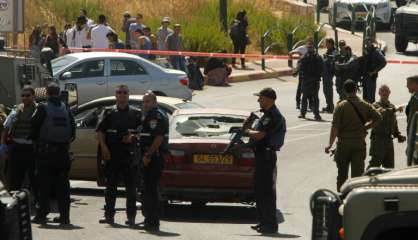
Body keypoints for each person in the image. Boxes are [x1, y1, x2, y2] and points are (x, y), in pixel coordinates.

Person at [96, 85, 142, 226]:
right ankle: (109, 215)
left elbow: (142, 133)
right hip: (112, 153)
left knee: (131, 188)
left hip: (129, 154)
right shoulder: (108, 112)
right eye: (119, 92)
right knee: (111, 187)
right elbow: (100, 132)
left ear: (128, 95)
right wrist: (104, 148)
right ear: (115, 95)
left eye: (125, 92)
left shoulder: (136, 113)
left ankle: (131, 217)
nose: (122, 95)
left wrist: (133, 137)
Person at [31, 83, 76, 225]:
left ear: (46, 93)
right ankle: (65, 216)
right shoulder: (66, 108)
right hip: (62, 153)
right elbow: (73, 132)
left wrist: (37, 143)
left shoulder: (42, 108)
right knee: (63, 186)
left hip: (46, 153)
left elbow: (33, 129)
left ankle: (42, 214)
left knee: (44, 184)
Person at [325, 80, 381, 192]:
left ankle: (342, 198)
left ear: (345, 91)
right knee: (358, 176)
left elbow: (335, 127)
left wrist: (330, 144)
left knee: (342, 174)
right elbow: (378, 118)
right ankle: (356, 199)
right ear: (356, 90)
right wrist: (366, 128)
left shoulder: (340, 106)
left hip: (343, 144)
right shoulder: (365, 105)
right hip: (359, 143)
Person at [246, 88, 286, 234]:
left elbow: (260, 135)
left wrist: (246, 131)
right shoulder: (266, 115)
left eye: (261, 98)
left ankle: (270, 224)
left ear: (269, 99)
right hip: (261, 156)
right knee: (259, 190)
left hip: (266, 157)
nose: (258, 101)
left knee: (266, 191)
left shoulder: (273, 116)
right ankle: (263, 222)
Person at [139, 91, 169, 232]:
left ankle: (153, 221)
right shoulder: (148, 115)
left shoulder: (156, 116)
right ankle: (148, 219)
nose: (145, 104)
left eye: (148, 101)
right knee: (147, 190)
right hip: (148, 156)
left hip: (154, 158)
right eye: (144, 101)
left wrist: (148, 155)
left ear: (154, 102)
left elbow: (158, 138)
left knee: (151, 190)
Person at [1, 86, 37, 193]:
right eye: (23, 95)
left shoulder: (39, 110)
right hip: (17, 148)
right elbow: (6, 128)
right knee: (15, 179)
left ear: (33, 96)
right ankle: (15, 204)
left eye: (27, 95)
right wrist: (3, 145)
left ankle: (36, 202)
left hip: (32, 149)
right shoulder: (16, 110)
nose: (25, 98)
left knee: (34, 178)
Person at [368, 85, 405, 169]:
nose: (385, 93)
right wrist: (393, 110)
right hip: (378, 139)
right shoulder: (375, 105)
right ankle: (363, 180)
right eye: (383, 91)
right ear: (379, 93)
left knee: (390, 167)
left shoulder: (392, 106)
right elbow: (381, 113)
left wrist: (398, 135)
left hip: (389, 139)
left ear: (389, 92)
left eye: (387, 91)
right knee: (375, 164)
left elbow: (394, 123)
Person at [298, 40, 324, 121]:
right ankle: (303, 113)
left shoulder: (318, 57)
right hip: (306, 80)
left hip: (315, 81)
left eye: (310, 47)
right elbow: (300, 66)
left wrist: (318, 77)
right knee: (304, 97)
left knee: (315, 98)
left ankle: (316, 114)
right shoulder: (304, 57)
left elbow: (322, 68)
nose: (309, 48)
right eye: (308, 47)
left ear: (314, 48)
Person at [362, 38, 387, 103]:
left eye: (368, 42)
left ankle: (371, 112)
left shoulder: (376, 51)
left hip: (371, 76)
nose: (366, 44)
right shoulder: (366, 51)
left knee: (370, 97)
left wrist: (375, 71)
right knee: (365, 97)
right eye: (365, 43)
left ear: (371, 43)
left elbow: (384, 62)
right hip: (365, 76)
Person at [290, 39, 310, 110]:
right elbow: (291, 52)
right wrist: (297, 54)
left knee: (309, 89)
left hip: (309, 71)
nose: (310, 45)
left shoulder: (313, 49)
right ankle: (298, 103)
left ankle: (310, 104)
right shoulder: (302, 48)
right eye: (309, 43)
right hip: (302, 69)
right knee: (300, 88)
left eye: (311, 43)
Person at [322, 38, 338, 113]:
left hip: (329, 73)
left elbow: (334, 58)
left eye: (327, 43)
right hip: (325, 73)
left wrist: (327, 57)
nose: (326, 45)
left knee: (328, 90)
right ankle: (329, 105)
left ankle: (330, 106)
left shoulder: (334, 51)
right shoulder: (328, 51)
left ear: (331, 44)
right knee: (325, 90)